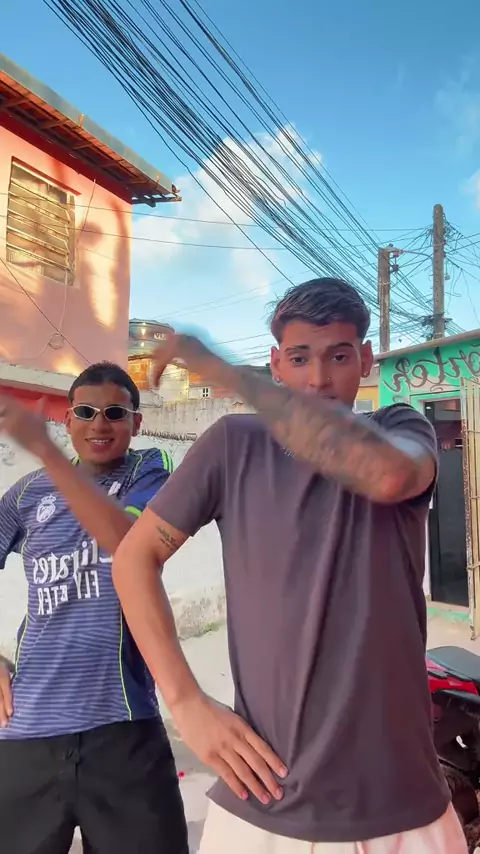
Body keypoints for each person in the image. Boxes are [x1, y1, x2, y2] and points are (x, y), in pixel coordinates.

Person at [112, 278, 467, 854]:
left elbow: (386, 477)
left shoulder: (400, 430)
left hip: (402, 804)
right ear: (276, 364)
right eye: (299, 358)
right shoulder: (233, 445)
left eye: (338, 356)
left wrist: (221, 370)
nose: (318, 379)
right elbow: (133, 558)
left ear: (366, 360)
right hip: (264, 803)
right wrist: (186, 702)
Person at [0, 362, 188, 854]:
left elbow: (128, 546)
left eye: (114, 413)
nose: (99, 424)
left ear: (136, 423)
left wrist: (46, 451)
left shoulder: (150, 470)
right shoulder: (26, 494)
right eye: (85, 412)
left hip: (123, 728)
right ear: (68, 420)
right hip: (27, 730)